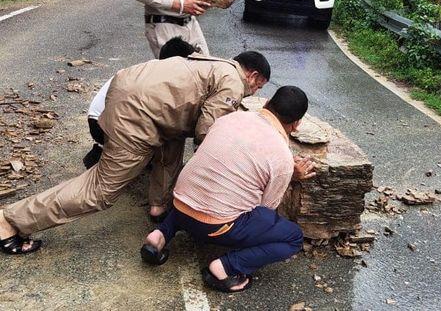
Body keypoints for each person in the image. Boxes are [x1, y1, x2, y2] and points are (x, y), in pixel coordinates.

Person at [0, 51, 270, 255]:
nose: (253, 92)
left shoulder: (211, 64)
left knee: (172, 147)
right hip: (138, 115)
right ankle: (11, 221)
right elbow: (209, 134)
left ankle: (158, 206)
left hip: (138, 99)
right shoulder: (233, 81)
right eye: (258, 87)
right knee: (100, 191)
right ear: (254, 76)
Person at [140, 86, 316, 293]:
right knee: (293, 237)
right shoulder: (282, 156)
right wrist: (290, 176)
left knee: (197, 193)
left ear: (266, 103)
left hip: (179, 203)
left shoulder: (230, 119)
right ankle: (224, 268)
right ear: (296, 125)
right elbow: (264, 209)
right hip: (212, 226)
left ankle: (159, 236)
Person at [83, 37, 200, 169]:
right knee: (170, 124)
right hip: (105, 126)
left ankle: (106, 150)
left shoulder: (147, 68)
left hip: (98, 122)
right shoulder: (163, 79)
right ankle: (108, 157)